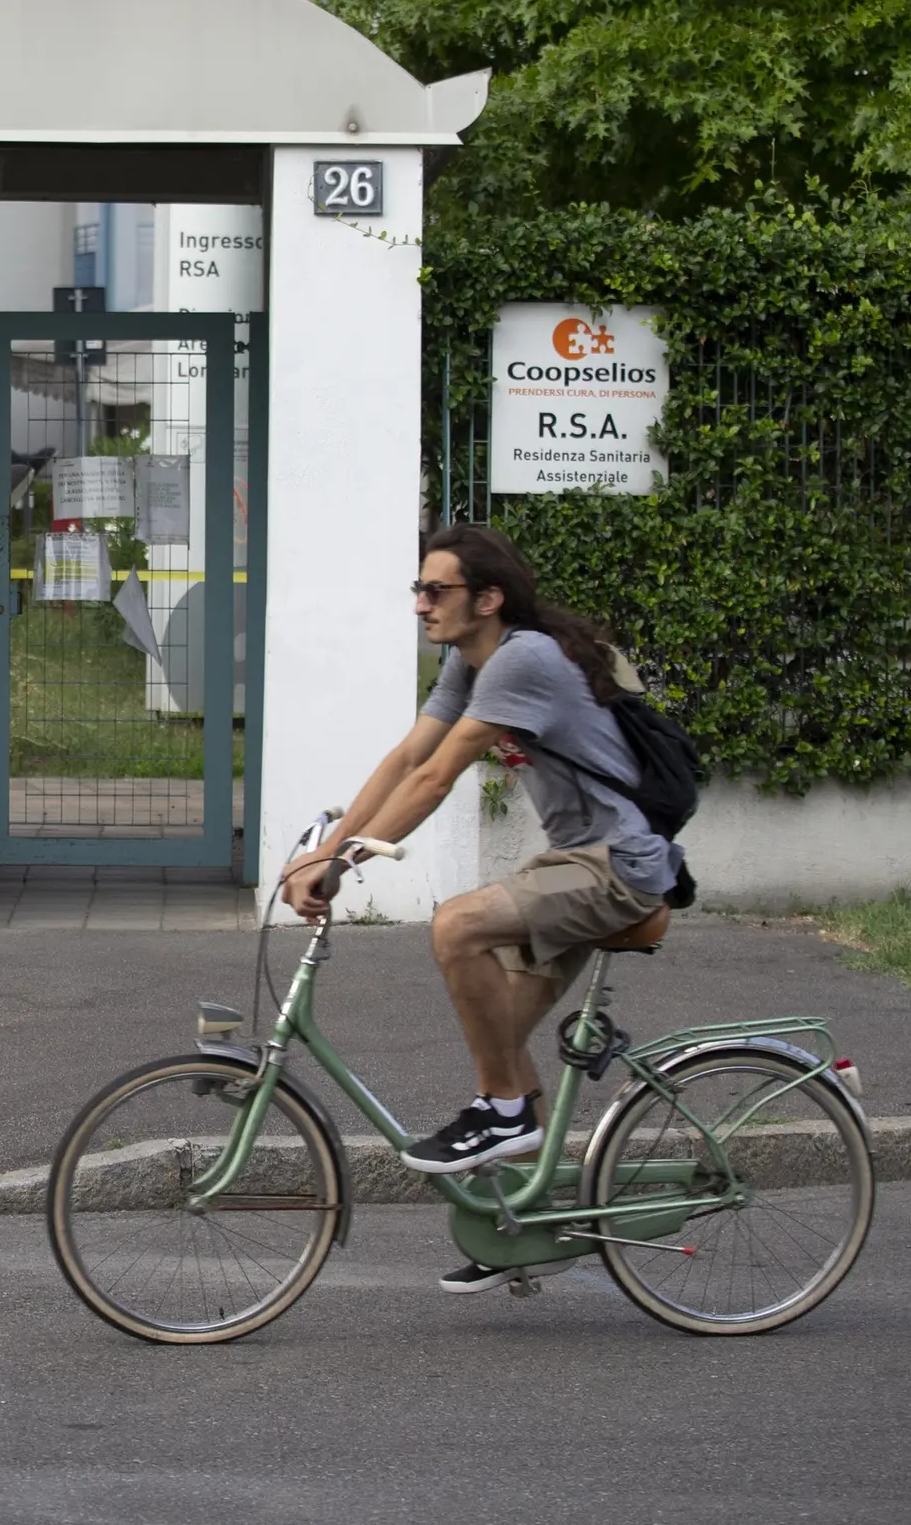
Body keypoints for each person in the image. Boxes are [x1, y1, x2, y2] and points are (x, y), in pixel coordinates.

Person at [280, 524, 683, 1292]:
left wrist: (339, 863)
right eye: (418, 591)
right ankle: (521, 1226)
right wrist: (329, 846)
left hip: (618, 866)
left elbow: (437, 782)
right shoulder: (471, 662)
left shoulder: (524, 657)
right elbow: (408, 759)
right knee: (502, 1030)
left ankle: (505, 1113)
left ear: (488, 598)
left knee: (458, 925)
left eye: (438, 592)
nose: (422, 606)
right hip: (574, 863)